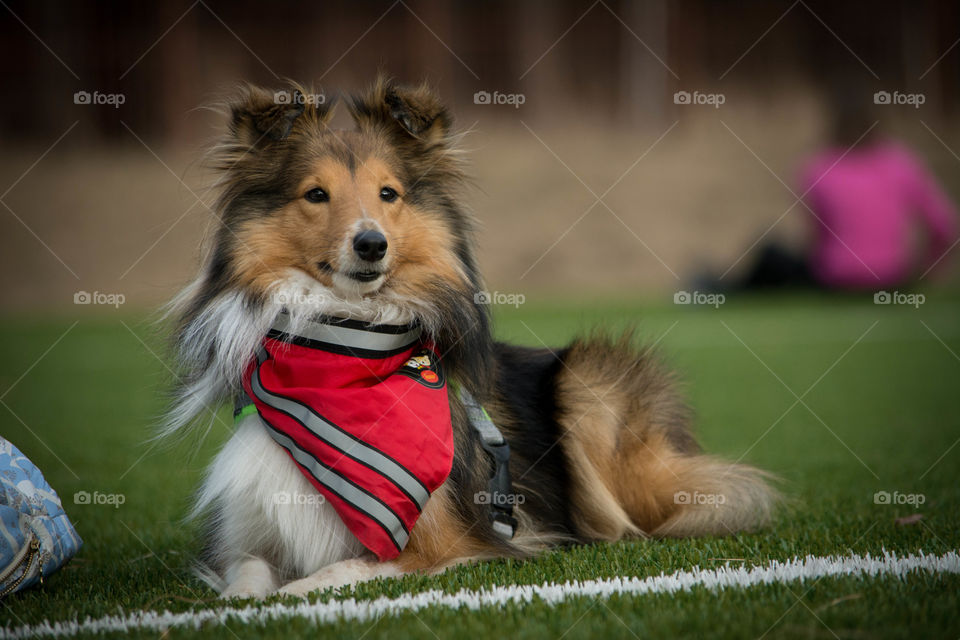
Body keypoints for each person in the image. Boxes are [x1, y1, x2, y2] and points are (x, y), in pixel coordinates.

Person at [718, 100, 958, 292]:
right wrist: (927, 271)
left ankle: (721, 288)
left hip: (835, 278)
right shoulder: (901, 161)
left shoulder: (817, 166)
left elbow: (817, 235)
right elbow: (945, 225)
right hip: (894, 277)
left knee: (770, 252)